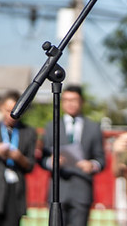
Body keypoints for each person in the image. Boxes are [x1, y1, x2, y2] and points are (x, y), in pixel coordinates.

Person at [41, 84, 106, 226]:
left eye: (74, 100)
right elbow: (41, 157)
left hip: (81, 189)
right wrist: (50, 162)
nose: (70, 103)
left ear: (81, 101)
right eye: (66, 100)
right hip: (59, 190)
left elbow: (101, 159)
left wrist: (92, 165)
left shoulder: (93, 127)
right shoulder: (51, 126)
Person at [0, 90, 38, 226]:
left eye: (15, 110)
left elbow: (30, 165)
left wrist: (18, 157)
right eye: (8, 110)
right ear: (1, 107)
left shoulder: (28, 132)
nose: (11, 115)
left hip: (15, 191)